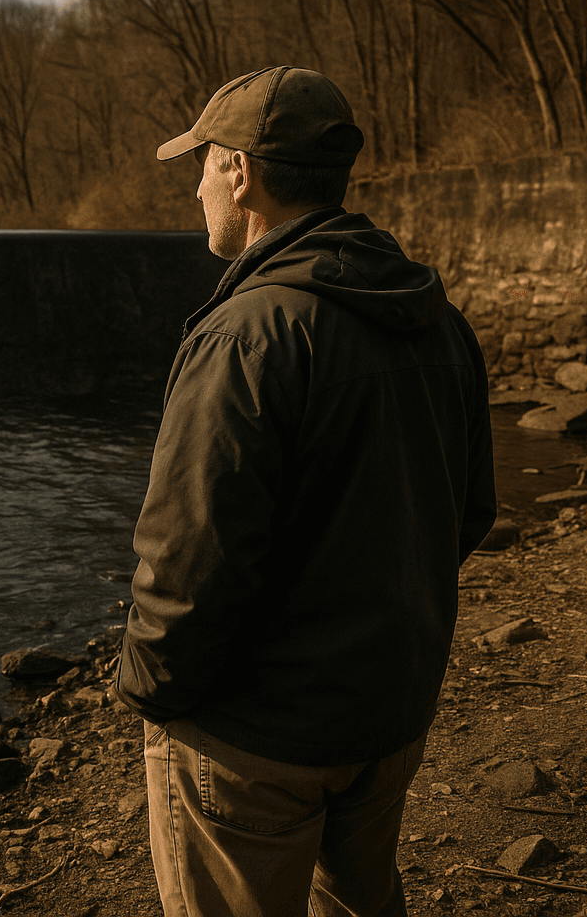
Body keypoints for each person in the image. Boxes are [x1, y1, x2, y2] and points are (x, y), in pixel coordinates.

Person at [113, 66, 499, 917]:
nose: (198, 186)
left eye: (204, 163)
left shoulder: (245, 335)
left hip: (256, 739)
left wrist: (147, 688)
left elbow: (188, 558)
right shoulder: (437, 317)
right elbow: (467, 511)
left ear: (241, 173)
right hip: (386, 714)